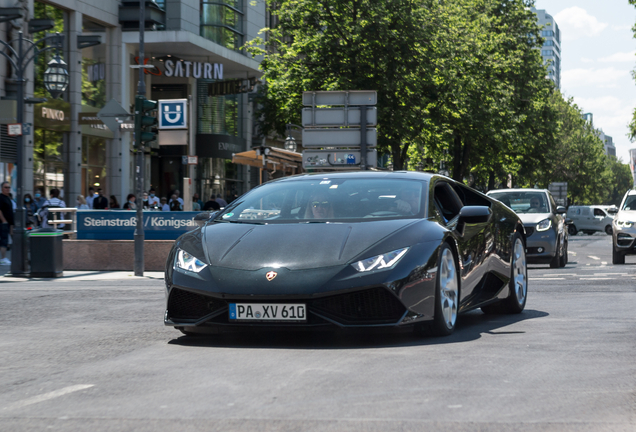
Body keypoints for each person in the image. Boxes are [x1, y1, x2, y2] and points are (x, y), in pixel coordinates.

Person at [0, 182, 14, 265]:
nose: (7, 189)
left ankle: (3, 258)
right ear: (2, 188)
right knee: (4, 241)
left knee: (4, 240)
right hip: (3, 223)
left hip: (7, 223)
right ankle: (3, 258)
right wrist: (4, 220)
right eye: (6, 187)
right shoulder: (1, 198)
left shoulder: (7, 198)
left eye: (9, 187)